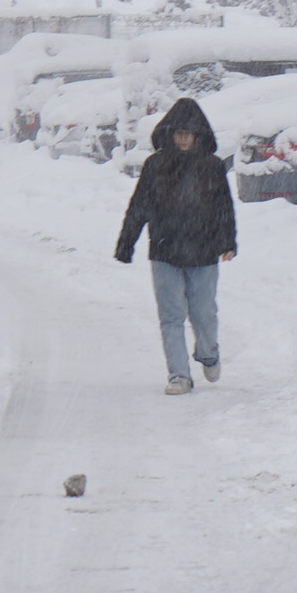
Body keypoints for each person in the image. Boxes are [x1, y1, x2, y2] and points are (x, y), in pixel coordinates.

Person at [114, 97, 237, 395]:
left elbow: (224, 206)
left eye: (188, 133)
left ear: (198, 135)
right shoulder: (155, 165)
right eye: (178, 133)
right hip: (165, 250)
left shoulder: (212, 166)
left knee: (203, 312)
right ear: (169, 134)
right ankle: (179, 375)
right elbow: (139, 206)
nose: (183, 138)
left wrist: (227, 241)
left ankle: (208, 353)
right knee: (171, 316)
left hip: (203, 251)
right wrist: (126, 243)